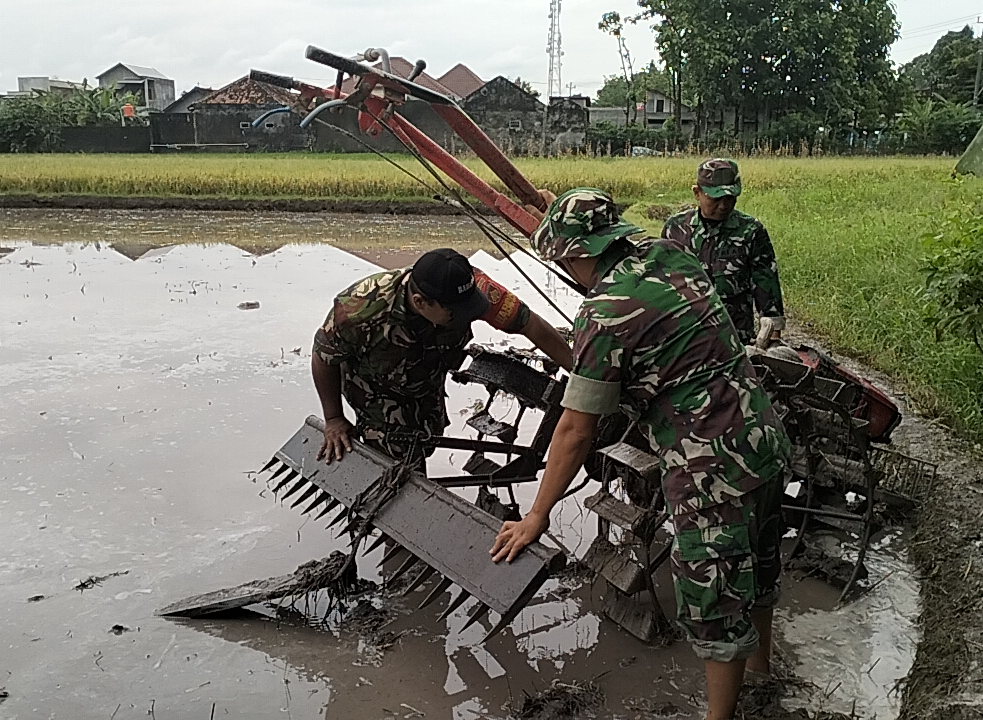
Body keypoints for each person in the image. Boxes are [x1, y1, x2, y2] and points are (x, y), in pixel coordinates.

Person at [491, 189, 790, 720]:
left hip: (709, 466)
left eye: (565, 260)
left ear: (580, 253)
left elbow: (576, 430)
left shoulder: (605, 312)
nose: (568, 271)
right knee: (758, 569)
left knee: (710, 600)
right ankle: (763, 680)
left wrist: (537, 515)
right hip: (764, 438)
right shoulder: (675, 257)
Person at [311, 248, 573, 464]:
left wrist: (583, 375)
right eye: (456, 313)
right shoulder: (360, 309)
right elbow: (323, 357)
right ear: (420, 302)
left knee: (428, 435)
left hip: (427, 374)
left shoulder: (475, 289)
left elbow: (532, 326)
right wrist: (333, 418)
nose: (466, 315)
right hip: (374, 386)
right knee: (397, 456)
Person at [661, 159, 786, 349]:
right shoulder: (676, 229)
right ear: (697, 193)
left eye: (730, 198)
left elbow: (765, 283)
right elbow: (661, 281)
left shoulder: (750, 231)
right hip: (684, 334)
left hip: (734, 336)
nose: (723, 206)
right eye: (715, 198)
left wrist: (773, 337)